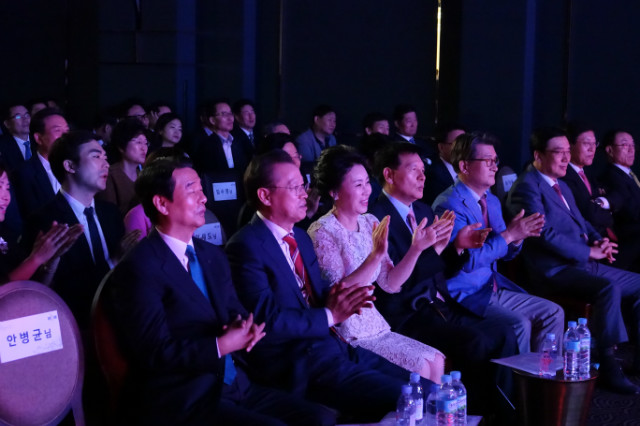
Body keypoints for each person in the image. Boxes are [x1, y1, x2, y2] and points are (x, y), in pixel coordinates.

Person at [105, 155, 334, 425]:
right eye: (191, 190)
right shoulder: (139, 267)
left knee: (320, 417)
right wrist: (220, 345)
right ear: (161, 204)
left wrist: (245, 328)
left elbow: (234, 311)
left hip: (236, 383)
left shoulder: (211, 254)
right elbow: (154, 352)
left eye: (202, 189)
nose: (203, 198)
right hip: (185, 397)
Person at [226, 150, 429, 422]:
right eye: (295, 187)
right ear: (265, 195)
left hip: (335, 346)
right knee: (405, 398)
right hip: (297, 361)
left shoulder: (299, 236)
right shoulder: (245, 246)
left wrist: (347, 298)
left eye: (304, 185)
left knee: (425, 390)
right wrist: (331, 315)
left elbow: (322, 294)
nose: (305, 194)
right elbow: (267, 320)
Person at [369, 142, 518, 415]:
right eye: (413, 170)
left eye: (423, 170)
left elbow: (439, 269)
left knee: (504, 332)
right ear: (389, 175)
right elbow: (394, 285)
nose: (422, 176)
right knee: (475, 341)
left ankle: (505, 414)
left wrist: (457, 247)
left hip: (440, 303)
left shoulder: (423, 211)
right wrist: (430, 250)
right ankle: (473, 414)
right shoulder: (377, 220)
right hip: (408, 312)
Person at [506, 126, 640, 394]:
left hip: (581, 263)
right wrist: (587, 252)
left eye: (568, 151)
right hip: (553, 270)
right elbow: (544, 233)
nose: (566, 158)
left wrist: (598, 241)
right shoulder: (527, 187)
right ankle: (608, 363)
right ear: (538, 155)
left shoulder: (563, 185)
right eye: (559, 152)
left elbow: (583, 222)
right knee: (608, 288)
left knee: (638, 283)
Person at [308, 146, 445, 382]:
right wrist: (375, 256)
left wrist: (416, 249)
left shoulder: (369, 221)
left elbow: (390, 284)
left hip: (376, 324)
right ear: (335, 192)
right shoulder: (322, 231)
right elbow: (339, 292)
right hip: (347, 331)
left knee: (436, 360)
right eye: (358, 185)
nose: (366, 191)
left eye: (366, 183)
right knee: (421, 368)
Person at [433, 132, 564, 354]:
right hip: (466, 293)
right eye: (488, 161)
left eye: (495, 160)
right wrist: (509, 236)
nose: (495, 167)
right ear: (464, 166)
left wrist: (518, 238)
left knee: (553, 313)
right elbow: (466, 262)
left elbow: (506, 253)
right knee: (518, 324)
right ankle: (519, 377)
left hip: (492, 286)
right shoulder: (449, 204)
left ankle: (545, 373)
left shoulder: (491, 200)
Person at [22, 130, 130, 330]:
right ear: (70, 166)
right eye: (96, 157)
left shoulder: (110, 213)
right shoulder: (44, 220)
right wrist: (112, 261)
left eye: (105, 157)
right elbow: (57, 288)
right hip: (74, 324)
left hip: (120, 320)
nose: (106, 164)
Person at [0, 162, 82, 285]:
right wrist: (36, 258)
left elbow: (35, 286)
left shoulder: (6, 234)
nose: (6, 197)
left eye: (7, 188)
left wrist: (50, 260)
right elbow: (5, 291)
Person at [12, 108, 68, 219]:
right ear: (38, 138)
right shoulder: (24, 174)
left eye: (67, 130)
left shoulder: (77, 166)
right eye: (57, 130)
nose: (65, 136)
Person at [599, 129, 640, 271]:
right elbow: (631, 211)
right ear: (609, 150)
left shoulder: (628, 175)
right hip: (631, 238)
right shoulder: (611, 176)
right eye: (625, 145)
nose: (631, 150)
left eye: (633, 145)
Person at [97, 118, 148, 216]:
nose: (144, 148)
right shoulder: (109, 176)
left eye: (145, 143)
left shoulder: (143, 177)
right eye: (138, 142)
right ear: (121, 147)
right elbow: (109, 215)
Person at [193, 100, 252, 175]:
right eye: (224, 114)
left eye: (230, 114)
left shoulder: (239, 142)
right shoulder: (206, 146)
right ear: (212, 120)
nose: (230, 118)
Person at [423, 124, 465, 205]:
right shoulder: (429, 175)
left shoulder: (470, 169)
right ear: (441, 147)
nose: (463, 149)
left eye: (465, 144)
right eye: (457, 144)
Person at [0, 103, 32, 171]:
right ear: (7, 124)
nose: (25, 119)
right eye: (18, 117)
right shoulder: (2, 146)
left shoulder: (40, 139)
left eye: (27, 115)